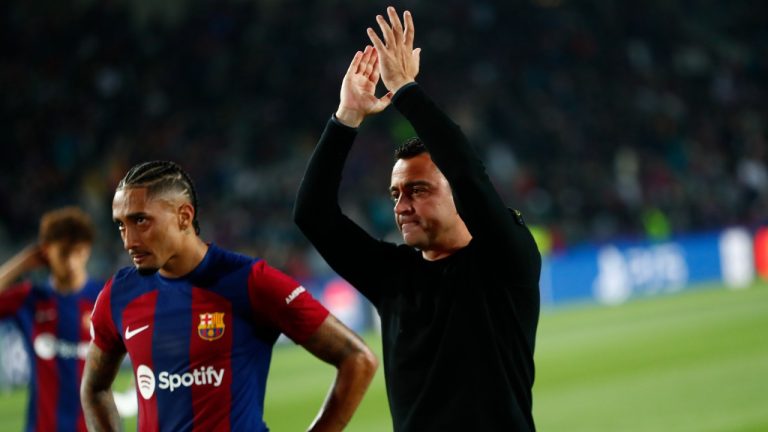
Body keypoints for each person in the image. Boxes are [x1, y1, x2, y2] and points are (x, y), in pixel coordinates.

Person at [294, 7, 541, 431]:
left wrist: (406, 90)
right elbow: (313, 214)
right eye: (396, 193)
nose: (401, 205)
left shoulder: (505, 263)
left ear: (458, 197)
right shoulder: (392, 276)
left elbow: (467, 172)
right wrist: (347, 117)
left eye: (419, 190)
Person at [81, 160, 378, 431]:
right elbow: (94, 389)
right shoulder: (119, 295)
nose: (129, 240)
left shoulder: (250, 282)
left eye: (141, 221)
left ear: (184, 216)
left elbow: (358, 359)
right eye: (121, 225)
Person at [0, 206, 103, 432]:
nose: (72, 262)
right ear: (46, 251)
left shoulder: (104, 297)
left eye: (79, 251)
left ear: (88, 250)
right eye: (64, 253)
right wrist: (24, 262)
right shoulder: (29, 298)